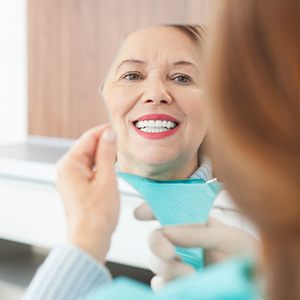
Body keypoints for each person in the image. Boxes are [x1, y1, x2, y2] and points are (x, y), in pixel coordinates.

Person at [24, 0, 299, 299]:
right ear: (105, 93)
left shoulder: (258, 218)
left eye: (182, 77)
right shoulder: (42, 206)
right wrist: (85, 239)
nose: (156, 95)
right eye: (132, 75)